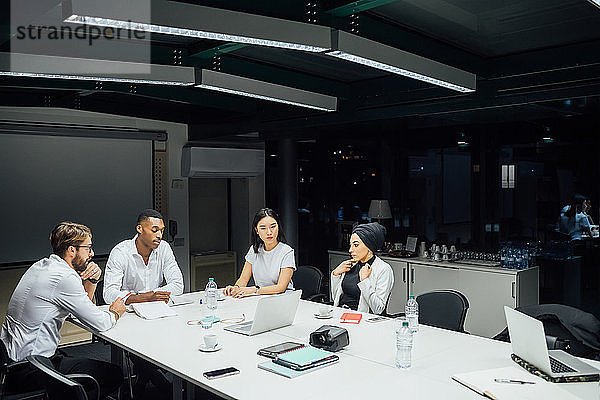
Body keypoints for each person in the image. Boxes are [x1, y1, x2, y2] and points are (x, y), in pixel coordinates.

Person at [0, 222, 125, 399]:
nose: (92, 254)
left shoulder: (41, 266)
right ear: (72, 250)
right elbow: (101, 323)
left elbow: (77, 311)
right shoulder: (64, 277)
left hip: (13, 363)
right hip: (33, 368)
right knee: (113, 374)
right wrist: (115, 312)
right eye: (88, 248)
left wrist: (93, 280)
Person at [103, 209, 184, 398]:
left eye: (162, 231)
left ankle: (144, 382)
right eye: (154, 230)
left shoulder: (163, 248)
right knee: (143, 354)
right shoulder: (121, 252)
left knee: (178, 343)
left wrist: (153, 297)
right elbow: (109, 293)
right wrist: (142, 298)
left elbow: (178, 284)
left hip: (159, 314)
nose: (159, 235)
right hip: (130, 318)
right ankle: (167, 391)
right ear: (140, 229)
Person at [223, 208, 295, 297]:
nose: (269, 232)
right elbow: (243, 279)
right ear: (256, 230)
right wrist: (236, 288)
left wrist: (254, 290)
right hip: (261, 298)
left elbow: (281, 287)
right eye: (263, 228)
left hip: (283, 299)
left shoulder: (286, 252)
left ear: (278, 227)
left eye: (273, 227)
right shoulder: (254, 250)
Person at [330, 222, 394, 315]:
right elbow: (335, 298)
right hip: (341, 315)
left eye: (355, 245)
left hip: (363, 321)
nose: (350, 250)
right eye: (350, 245)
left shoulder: (383, 269)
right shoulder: (351, 265)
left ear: (369, 246)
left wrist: (364, 281)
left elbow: (378, 309)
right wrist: (336, 274)